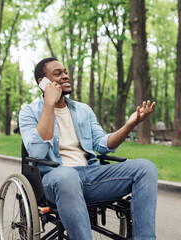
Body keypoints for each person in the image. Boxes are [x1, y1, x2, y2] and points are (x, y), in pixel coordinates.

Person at [19, 57, 158, 240]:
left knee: (146, 168)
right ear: (42, 82)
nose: (65, 76)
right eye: (57, 73)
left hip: (91, 175)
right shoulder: (29, 112)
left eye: (65, 72)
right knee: (67, 175)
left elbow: (103, 144)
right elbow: (36, 152)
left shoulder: (83, 110)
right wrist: (49, 104)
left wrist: (130, 125)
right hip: (55, 179)